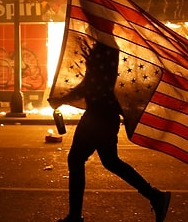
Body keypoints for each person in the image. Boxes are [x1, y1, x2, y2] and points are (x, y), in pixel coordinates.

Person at [49, 41, 171, 222]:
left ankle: (75, 216)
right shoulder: (106, 46)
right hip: (105, 115)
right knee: (110, 161)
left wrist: (63, 99)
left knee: (77, 159)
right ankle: (155, 196)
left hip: (99, 116)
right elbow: (91, 82)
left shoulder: (105, 47)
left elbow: (91, 84)